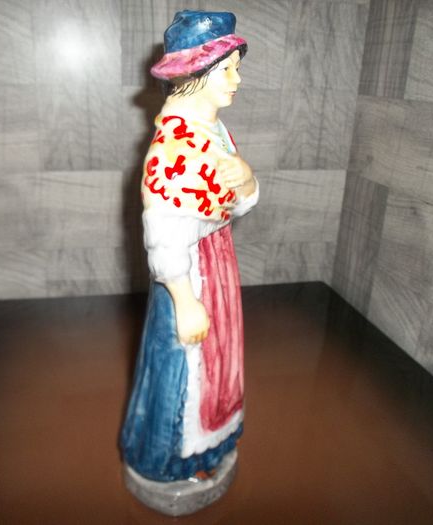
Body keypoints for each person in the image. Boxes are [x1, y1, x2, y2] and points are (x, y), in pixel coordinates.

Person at [121, 10, 258, 484]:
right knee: (183, 365)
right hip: (189, 275)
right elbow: (163, 231)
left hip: (215, 263)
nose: (237, 80)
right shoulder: (174, 147)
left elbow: (233, 203)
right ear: (196, 74)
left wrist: (246, 179)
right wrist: (184, 300)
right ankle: (168, 459)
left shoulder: (212, 131)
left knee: (216, 360)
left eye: (237, 68)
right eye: (228, 70)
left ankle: (211, 444)